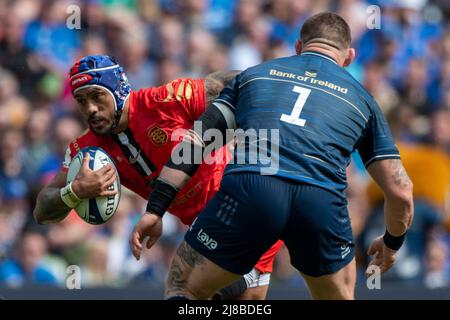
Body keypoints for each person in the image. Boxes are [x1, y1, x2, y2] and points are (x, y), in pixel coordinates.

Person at [131, 12, 414, 300]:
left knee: (183, 288)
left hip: (253, 186)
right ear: (349, 57)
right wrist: (392, 242)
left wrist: (155, 210)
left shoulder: (254, 75)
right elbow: (400, 190)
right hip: (320, 199)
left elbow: (195, 144)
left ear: (298, 47)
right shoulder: (363, 99)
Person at [32, 54, 283, 299]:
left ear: (119, 89)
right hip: (207, 223)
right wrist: (75, 191)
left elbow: (234, 80)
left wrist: (279, 98)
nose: (91, 109)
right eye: (81, 101)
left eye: (97, 97)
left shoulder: (166, 101)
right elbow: (42, 210)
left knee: (182, 289)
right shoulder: (87, 150)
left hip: (240, 204)